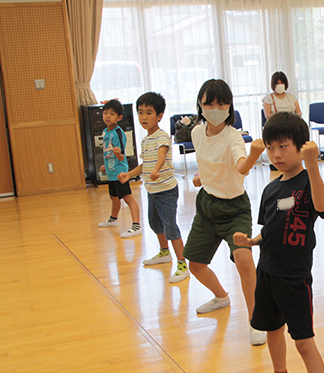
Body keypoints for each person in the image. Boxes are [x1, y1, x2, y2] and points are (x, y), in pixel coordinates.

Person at [233, 112, 324, 373]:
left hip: (294, 277)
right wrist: (251, 242)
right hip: (268, 271)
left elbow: (320, 206)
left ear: (300, 147)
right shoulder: (270, 190)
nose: (276, 154)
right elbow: (272, 228)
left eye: (284, 147)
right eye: (272, 148)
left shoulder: (308, 182)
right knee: (272, 329)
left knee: (304, 342)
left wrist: (313, 165)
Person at [182, 79, 267, 346]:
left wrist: (254, 154)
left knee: (244, 260)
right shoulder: (196, 132)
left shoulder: (233, 136)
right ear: (200, 105)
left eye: (222, 103)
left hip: (234, 208)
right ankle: (221, 297)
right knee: (195, 264)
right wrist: (200, 177)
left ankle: (257, 320)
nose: (215, 108)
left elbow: (241, 168)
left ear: (230, 107)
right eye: (209, 103)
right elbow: (209, 163)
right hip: (207, 205)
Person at [118, 92, 189, 284]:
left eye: (149, 113)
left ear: (159, 116)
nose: (143, 117)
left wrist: (157, 170)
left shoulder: (161, 137)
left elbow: (160, 156)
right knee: (155, 224)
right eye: (140, 112)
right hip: (152, 190)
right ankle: (164, 253)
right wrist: (129, 175)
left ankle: (183, 264)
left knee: (170, 226)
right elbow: (145, 165)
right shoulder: (145, 140)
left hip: (166, 190)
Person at [97, 99, 141, 238]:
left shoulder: (118, 132)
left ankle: (136, 225)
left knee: (127, 197)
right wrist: (106, 165)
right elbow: (109, 153)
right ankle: (113, 219)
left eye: (112, 114)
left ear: (119, 117)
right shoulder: (106, 132)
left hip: (120, 172)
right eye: (105, 113)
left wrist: (118, 155)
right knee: (114, 197)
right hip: (111, 171)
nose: (107, 116)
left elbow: (122, 157)